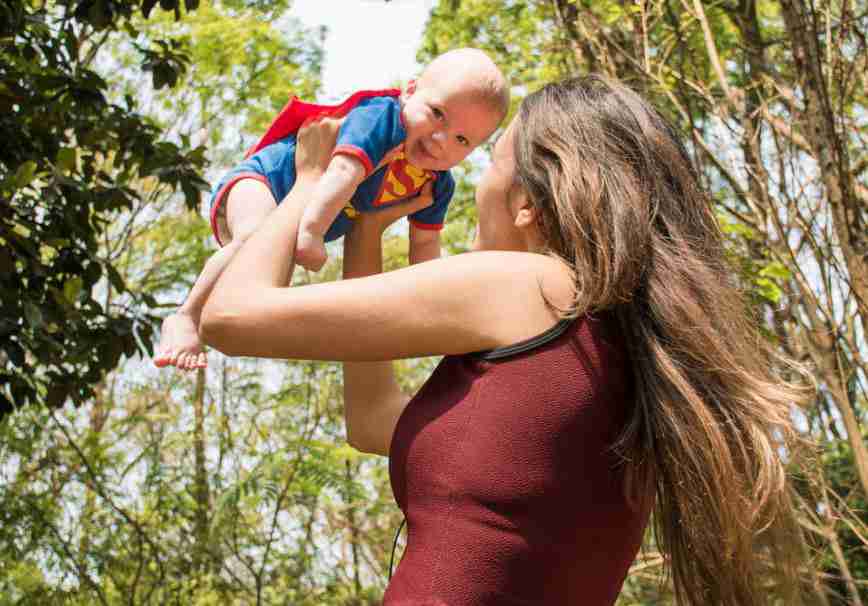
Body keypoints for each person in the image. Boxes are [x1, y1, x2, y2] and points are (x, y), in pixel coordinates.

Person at [199, 75, 807, 605]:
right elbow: (373, 420)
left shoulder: (530, 285)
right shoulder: (623, 349)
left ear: (526, 204)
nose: (470, 177)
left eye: (489, 162)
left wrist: (309, 180)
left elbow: (231, 316)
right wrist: (367, 229)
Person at [153, 48, 509, 370]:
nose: (440, 139)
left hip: (297, 215)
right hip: (265, 181)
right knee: (252, 237)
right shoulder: (382, 119)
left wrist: (440, 306)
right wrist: (312, 232)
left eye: (462, 139)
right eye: (437, 114)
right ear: (410, 91)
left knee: (266, 277)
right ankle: (185, 316)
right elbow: (343, 171)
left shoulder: (436, 184)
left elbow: (426, 248)